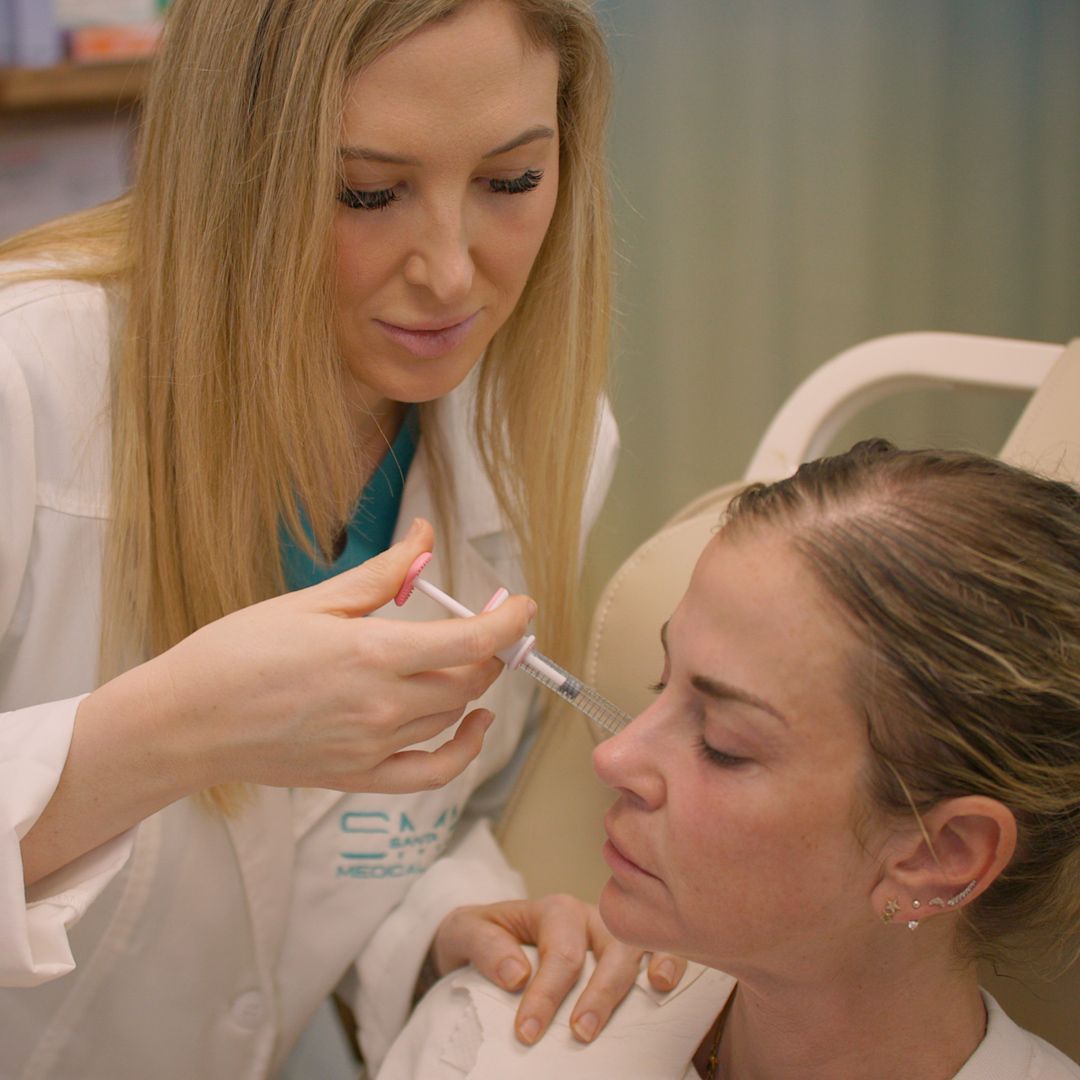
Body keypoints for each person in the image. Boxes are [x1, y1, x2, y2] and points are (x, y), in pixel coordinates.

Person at [0, 1, 678, 1075]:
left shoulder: (539, 439)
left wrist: (439, 928)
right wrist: (166, 733)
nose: (451, 274)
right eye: (366, 192)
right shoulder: (26, 387)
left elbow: (402, 835)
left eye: (510, 182)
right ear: (231, 173)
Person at [380, 440, 1080, 1079]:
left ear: (940, 851)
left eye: (722, 743)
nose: (616, 756)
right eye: (663, 683)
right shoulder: (490, 1040)